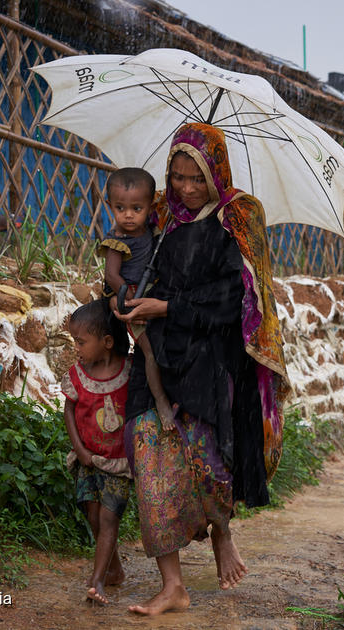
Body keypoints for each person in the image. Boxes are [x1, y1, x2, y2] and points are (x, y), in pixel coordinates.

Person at [113, 122, 290, 616]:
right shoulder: (162, 217)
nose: (186, 188)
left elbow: (234, 301)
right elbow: (138, 269)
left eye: (197, 177)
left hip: (210, 365)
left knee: (205, 463)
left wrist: (167, 308)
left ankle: (221, 532)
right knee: (148, 452)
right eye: (177, 175)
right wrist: (129, 299)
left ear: (216, 172)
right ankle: (172, 584)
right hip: (158, 359)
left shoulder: (238, 217)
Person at [61, 300, 133, 605]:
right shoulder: (77, 375)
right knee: (92, 514)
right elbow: (69, 410)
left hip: (118, 463)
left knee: (108, 518)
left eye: (81, 342)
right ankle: (113, 568)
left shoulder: (130, 371)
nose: (76, 348)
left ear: (106, 342)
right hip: (88, 460)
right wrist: (79, 449)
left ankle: (97, 580)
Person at [98, 167, 174, 429]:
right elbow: (111, 275)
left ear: (150, 206)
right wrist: (128, 295)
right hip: (128, 301)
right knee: (149, 352)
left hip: (148, 296)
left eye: (136, 209)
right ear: (109, 205)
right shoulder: (117, 239)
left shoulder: (150, 230)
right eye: (120, 208)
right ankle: (161, 402)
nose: (128, 215)